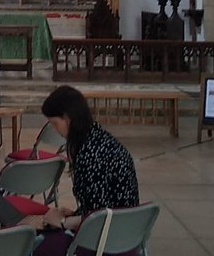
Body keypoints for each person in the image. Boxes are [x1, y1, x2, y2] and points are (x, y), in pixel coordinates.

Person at [26, 86, 141, 256]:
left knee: (30, 244)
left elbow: (99, 216)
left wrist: (64, 222)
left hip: (105, 241)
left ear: (67, 118)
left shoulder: (89, 153)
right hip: (127, 235)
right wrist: (75, 213)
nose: (55, 129)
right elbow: (103, 203)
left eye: (55, 123)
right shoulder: (97, 137)